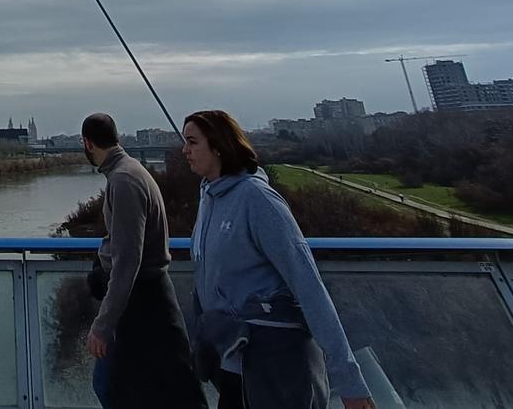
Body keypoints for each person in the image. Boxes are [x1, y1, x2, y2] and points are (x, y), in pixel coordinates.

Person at [183, 110, 376, 409]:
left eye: (192, 142)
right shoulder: (209, 198)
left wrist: (349, 381)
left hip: (273, 369)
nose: (185, 150)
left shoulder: (258, 200)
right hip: (234, 366)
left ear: (218, 145)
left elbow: (308, 286)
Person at [82, 112, 206, 409]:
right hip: (147, 298)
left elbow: (127, 259)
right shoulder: (130, 171)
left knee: (114, 387)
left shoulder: (123, 180)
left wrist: (102, 324)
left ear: (86, 143)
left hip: (143, 301)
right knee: (164, 386)